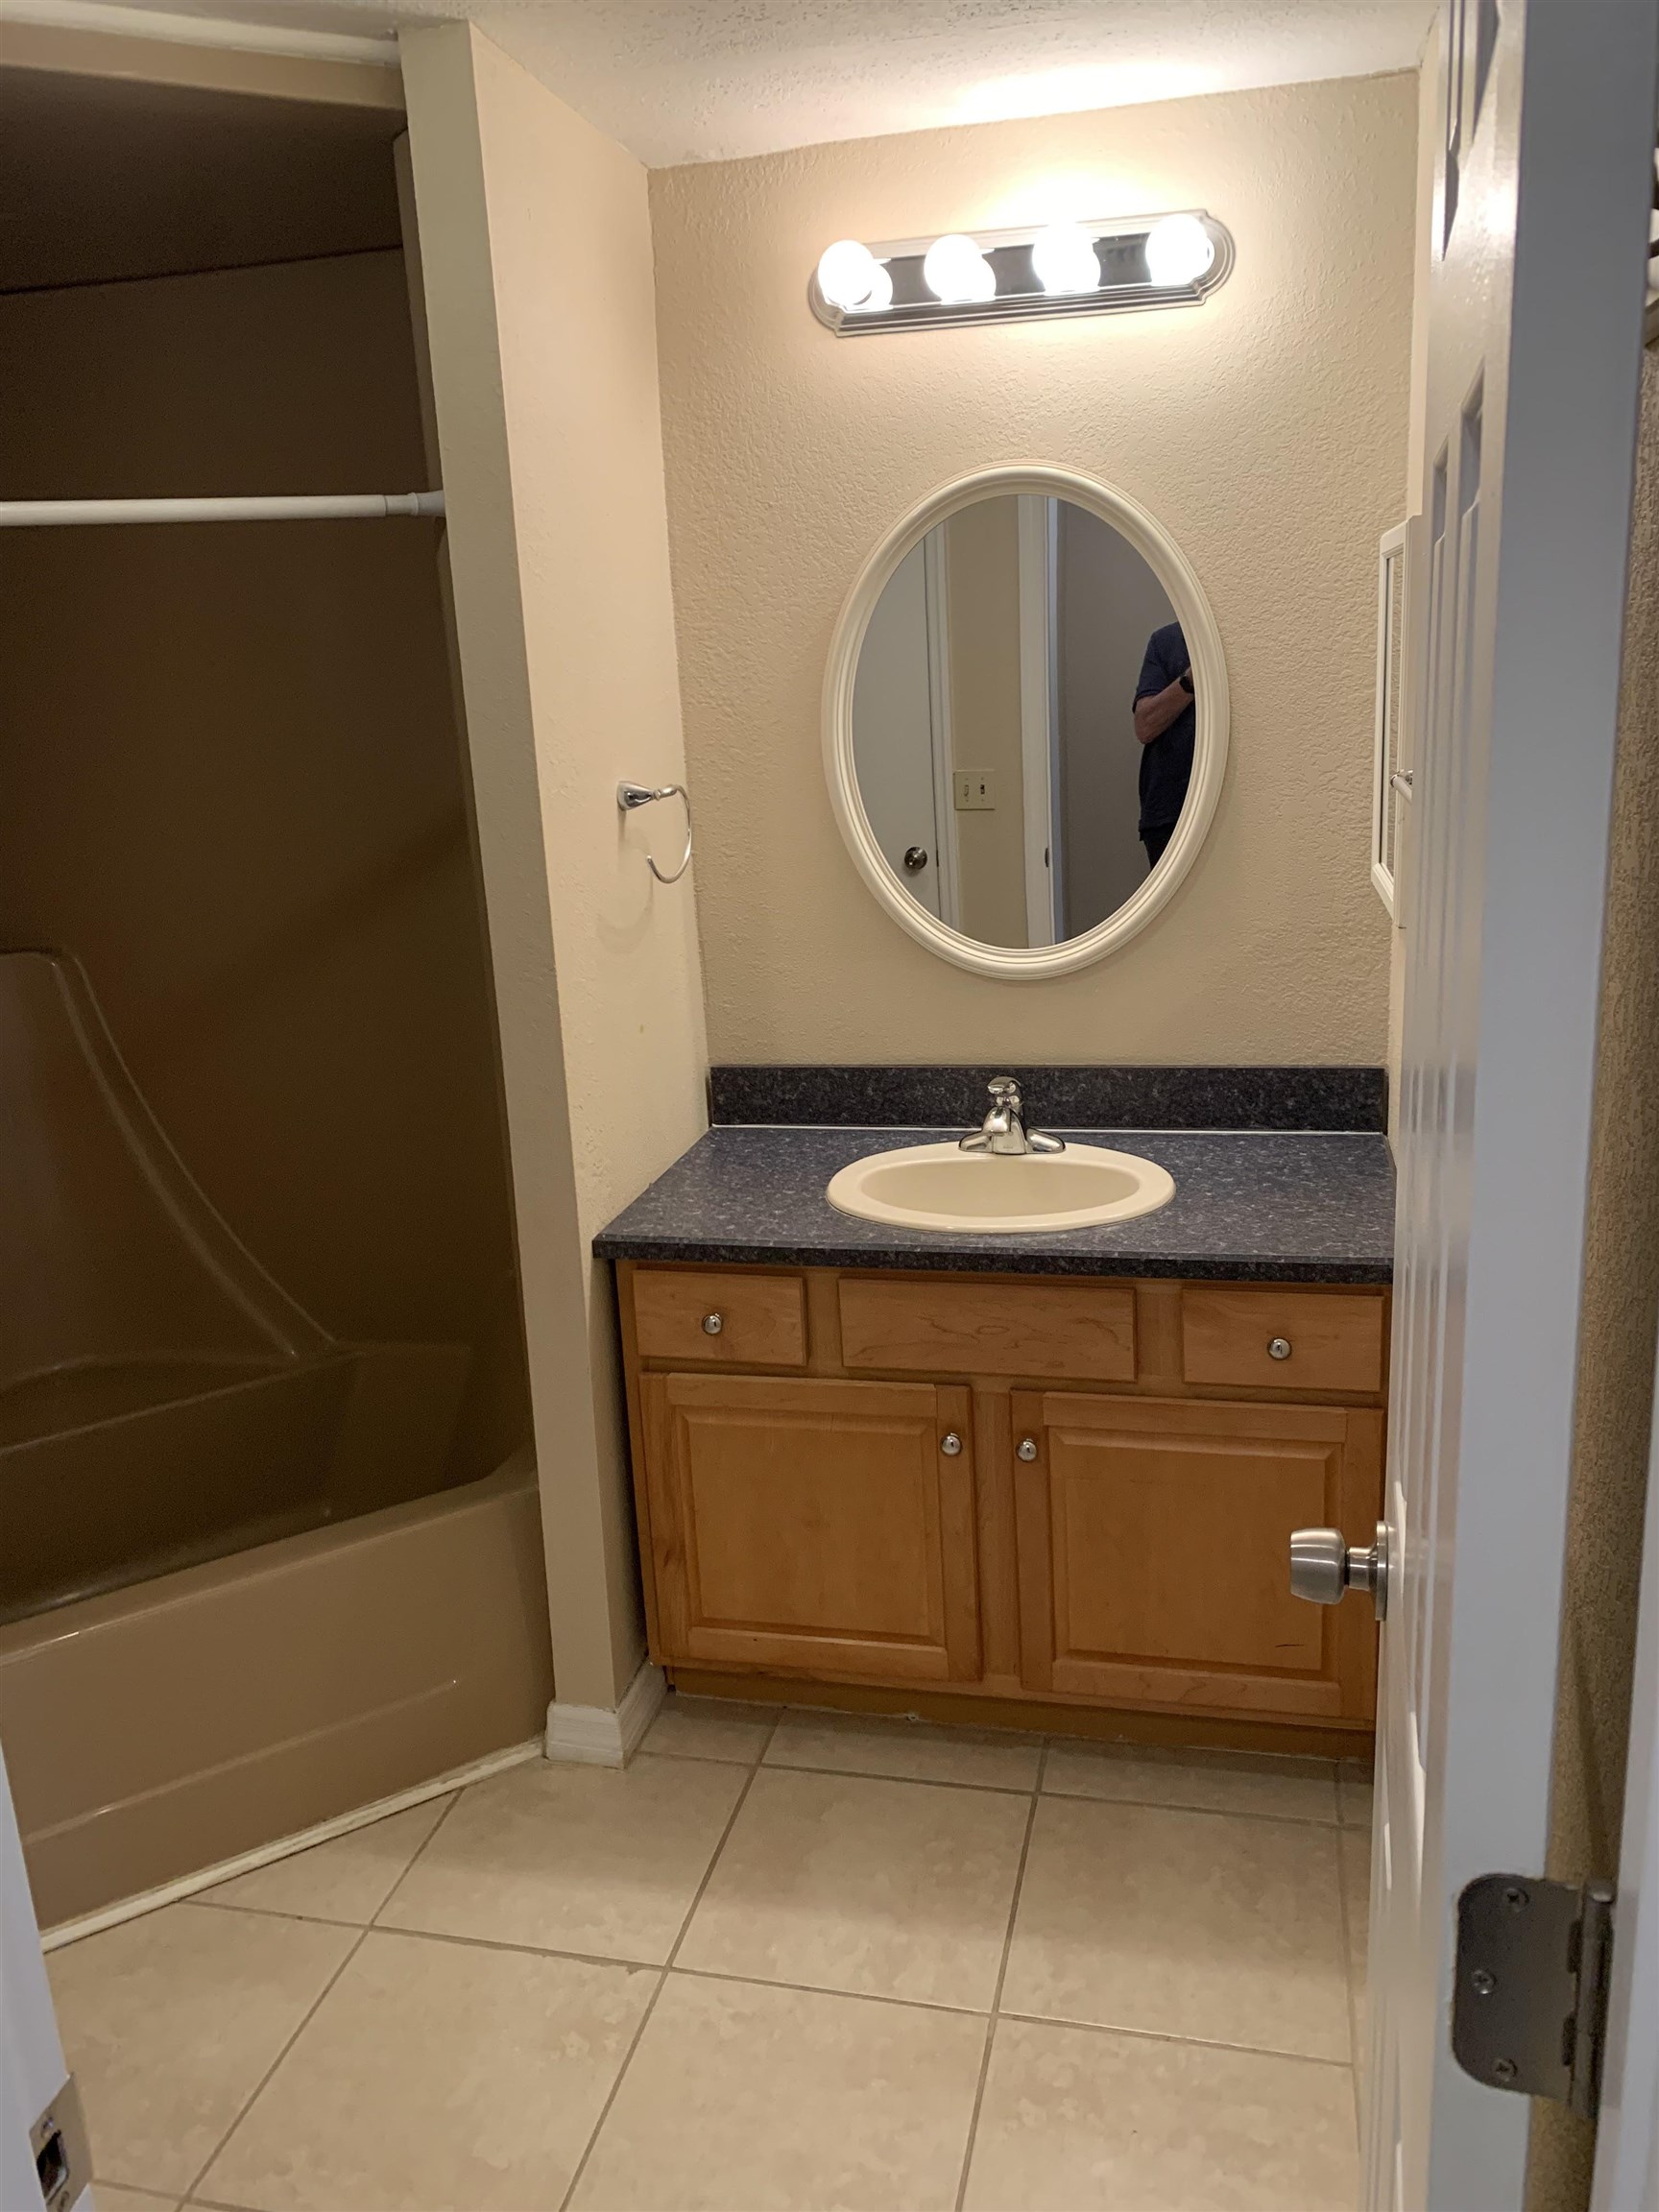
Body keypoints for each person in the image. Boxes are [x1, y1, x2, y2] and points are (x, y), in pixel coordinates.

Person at [1132, 620, 1195, 870]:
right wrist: (1190, 680)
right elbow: (1144, 726)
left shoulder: (1253, 640)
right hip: (1168, 814)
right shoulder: (1166, 641)